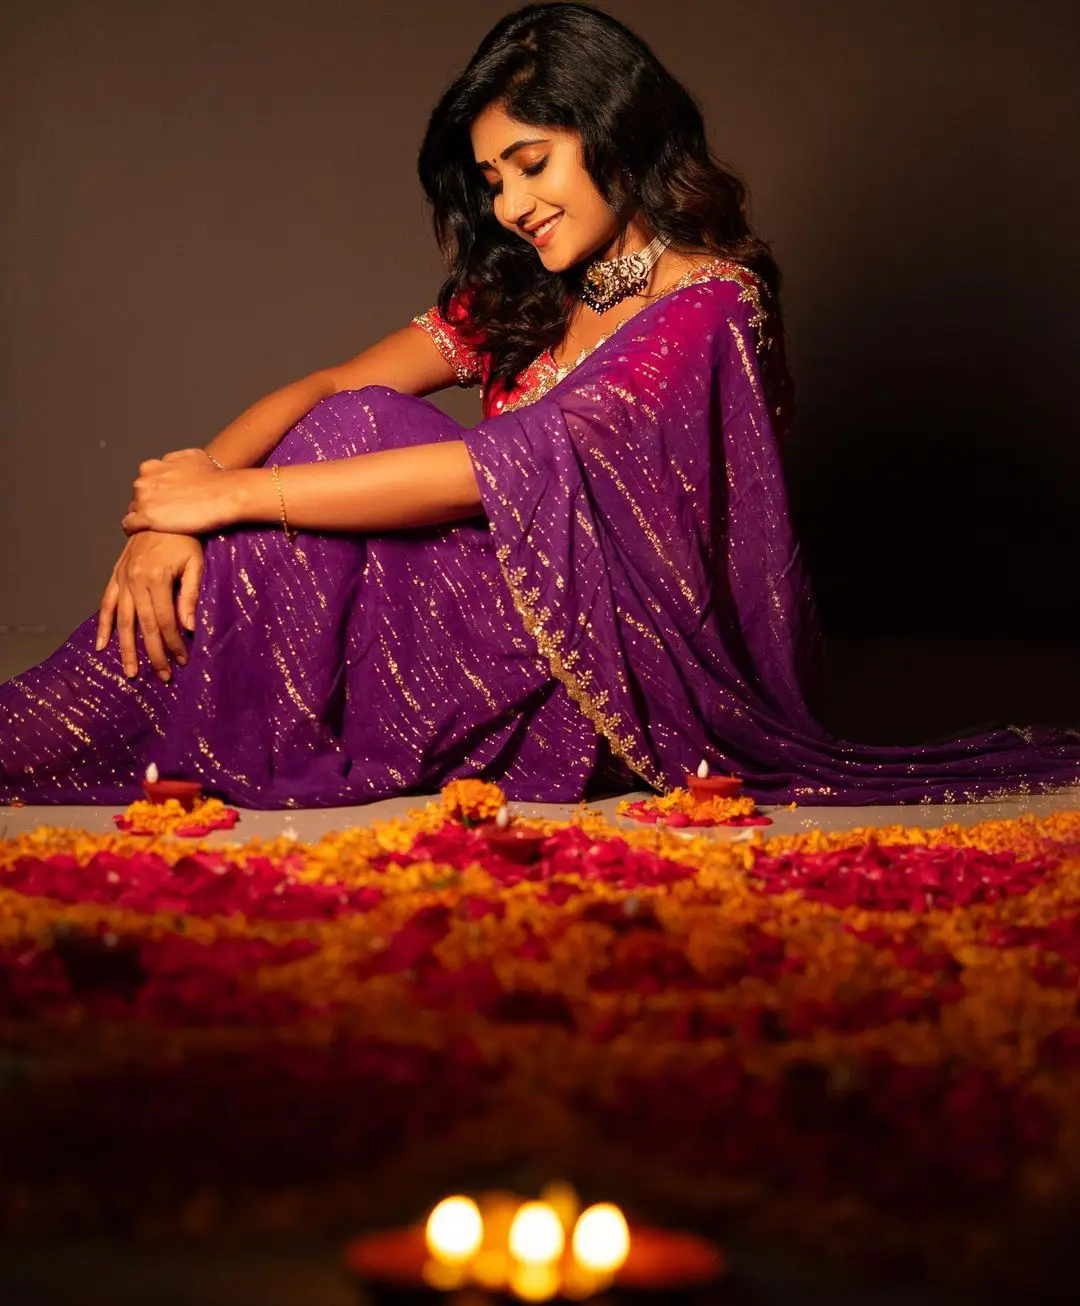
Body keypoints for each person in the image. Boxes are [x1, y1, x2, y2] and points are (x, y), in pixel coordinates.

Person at [2, 2, 1077, 809]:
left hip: (595, 679)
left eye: (532, 163)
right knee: (344, 424)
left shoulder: (706, 310)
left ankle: (78, 736)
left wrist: (225, 496)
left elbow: (490, 470)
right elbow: (331, 384)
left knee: (335, 458)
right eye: (493, 180)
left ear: (615, 129)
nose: (512, 206)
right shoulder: (529, 288)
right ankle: (80, 732)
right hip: (475, 626)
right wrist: (161, 520)